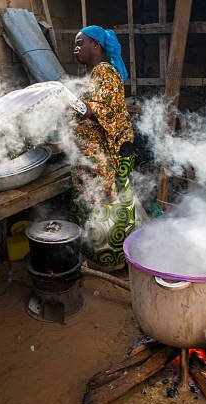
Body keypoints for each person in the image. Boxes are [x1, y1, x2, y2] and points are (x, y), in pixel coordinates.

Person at [70, 26, 138, 271]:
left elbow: (93, 110)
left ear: (96, 46)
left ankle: (115, 263)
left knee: (110, 210)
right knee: (97, 209)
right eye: (75, 44)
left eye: (81, 43)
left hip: (109, 156)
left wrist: (62, 95)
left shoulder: (104, 72)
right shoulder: (91, 76)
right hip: (94, 157)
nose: (75, 48)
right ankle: (101, 258)